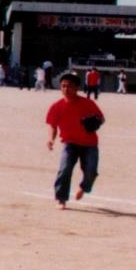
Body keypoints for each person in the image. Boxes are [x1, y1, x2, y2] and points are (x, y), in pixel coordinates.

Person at [46, 72, 105, 209]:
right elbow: (53, 126)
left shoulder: (87, 103)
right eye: (63, 86)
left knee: (91, 170)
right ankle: (61, 198)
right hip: (70, 143)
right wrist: (51, 139)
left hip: (89, 143)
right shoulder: (57, 107)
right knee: (64, 169)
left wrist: (95, 123)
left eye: (70, 86)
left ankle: (84, 187)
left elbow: (101, 118)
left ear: (77, 88)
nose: (66, 89)